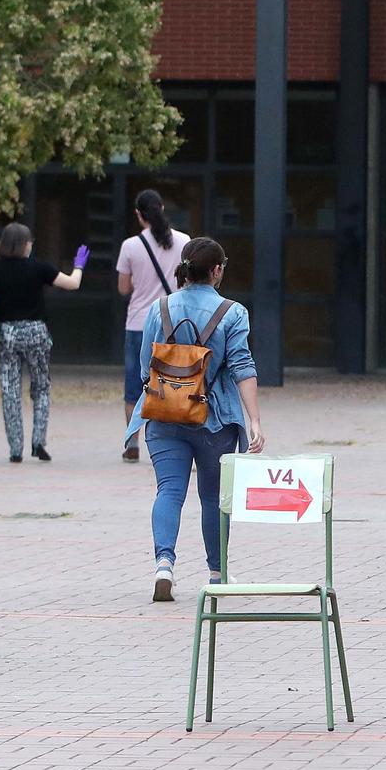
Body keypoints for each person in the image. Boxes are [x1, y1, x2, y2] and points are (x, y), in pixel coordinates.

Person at [124, 238, 265, 602]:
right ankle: (217, 575)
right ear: (217, 270)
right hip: (214, 418)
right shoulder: (232, 313)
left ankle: (164, 564)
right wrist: (255, 421)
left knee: (169, 490)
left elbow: (146, 366)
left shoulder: (160, 309)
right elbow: (242, 367)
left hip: (164, 414)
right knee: (213, 497)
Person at [0, 223, 83, 463]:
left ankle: (15, 448)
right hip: (36, 333)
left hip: (7, 334)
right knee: (41, 387)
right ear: (24, 244)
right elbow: (72, 284)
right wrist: (79, 265)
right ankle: (38, 442)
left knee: (10, 390)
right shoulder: (39, 267)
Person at [116, 189, 192, 462]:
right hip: (176, 320)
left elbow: (124, 288)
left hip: (138, 322)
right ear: (161, 207)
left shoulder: (130, 246)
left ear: (139, 215)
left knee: (135, 384)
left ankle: (132, 443)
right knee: (181, 380)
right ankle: (181, 436)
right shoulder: (185, 241)